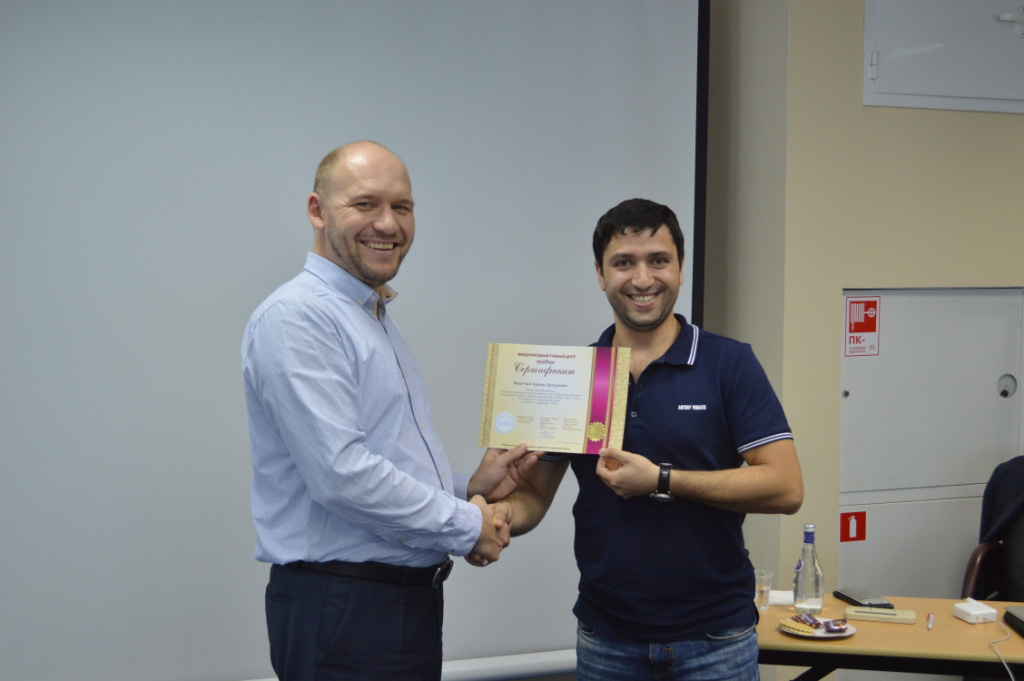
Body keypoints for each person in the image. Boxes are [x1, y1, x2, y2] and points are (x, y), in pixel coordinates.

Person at [241, 140, 538, 681]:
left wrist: (468, 485)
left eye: (402, 207)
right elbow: (342, 475)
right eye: (365, 204)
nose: (388, 223)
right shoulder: (298, 317)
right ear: (317, 211)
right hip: (345, 610)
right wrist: (467, 524)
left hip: (392, 607)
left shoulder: (370, 316)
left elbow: (383, 459)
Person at [498, 198, 804, 681]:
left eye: (658, 260)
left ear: (680, 269)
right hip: (607, 638)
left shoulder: (728, 363)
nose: (642, 279)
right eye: (623, 263)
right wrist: (492, 517)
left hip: (715, 640)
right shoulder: (578, 375)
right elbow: (533, 495)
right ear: (600, 274)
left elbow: (786, 487)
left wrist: (663, 480)